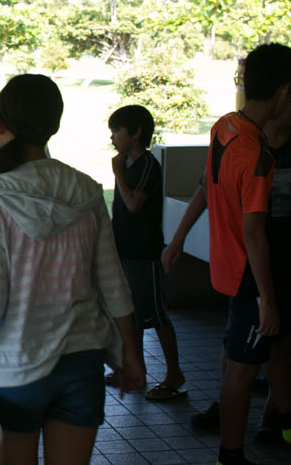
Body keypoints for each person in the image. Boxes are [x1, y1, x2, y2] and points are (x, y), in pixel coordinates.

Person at [0, 74, 145, 465]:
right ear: (55, 124)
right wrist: (131, 356)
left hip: (15, 370)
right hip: (82, 365)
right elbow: (114, 286)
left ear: (0, 124)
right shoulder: (85, 189)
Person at [164, 82, 291, 447]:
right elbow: (211, 193)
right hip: (255, 270)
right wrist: (178, 238)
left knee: (278, 346)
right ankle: (264, 426)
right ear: (278, 101)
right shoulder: (246, 147)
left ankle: (281, 421)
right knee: (243, 354)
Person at [164, 43, 291, 465]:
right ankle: (232, 452)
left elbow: (207, 186)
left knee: (235, 357)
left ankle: (259, 430)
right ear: (283, 92)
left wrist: (177, 240)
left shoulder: (224, 128)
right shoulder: (257, 157)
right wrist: (269, 300)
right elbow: (255, 233)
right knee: (242, 368)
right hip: (248, 275)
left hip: (227, 271)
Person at [107, 104, 186, 401]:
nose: (113, 137)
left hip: (144, 253)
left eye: (117, 131)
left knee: (154, 313)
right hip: (125, 251)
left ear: (136, 132)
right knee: (132, 313)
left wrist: (117, 174)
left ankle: (174, 374)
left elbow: (133, 204)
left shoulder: (147, 165)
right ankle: (135, 369)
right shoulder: (127, 164)